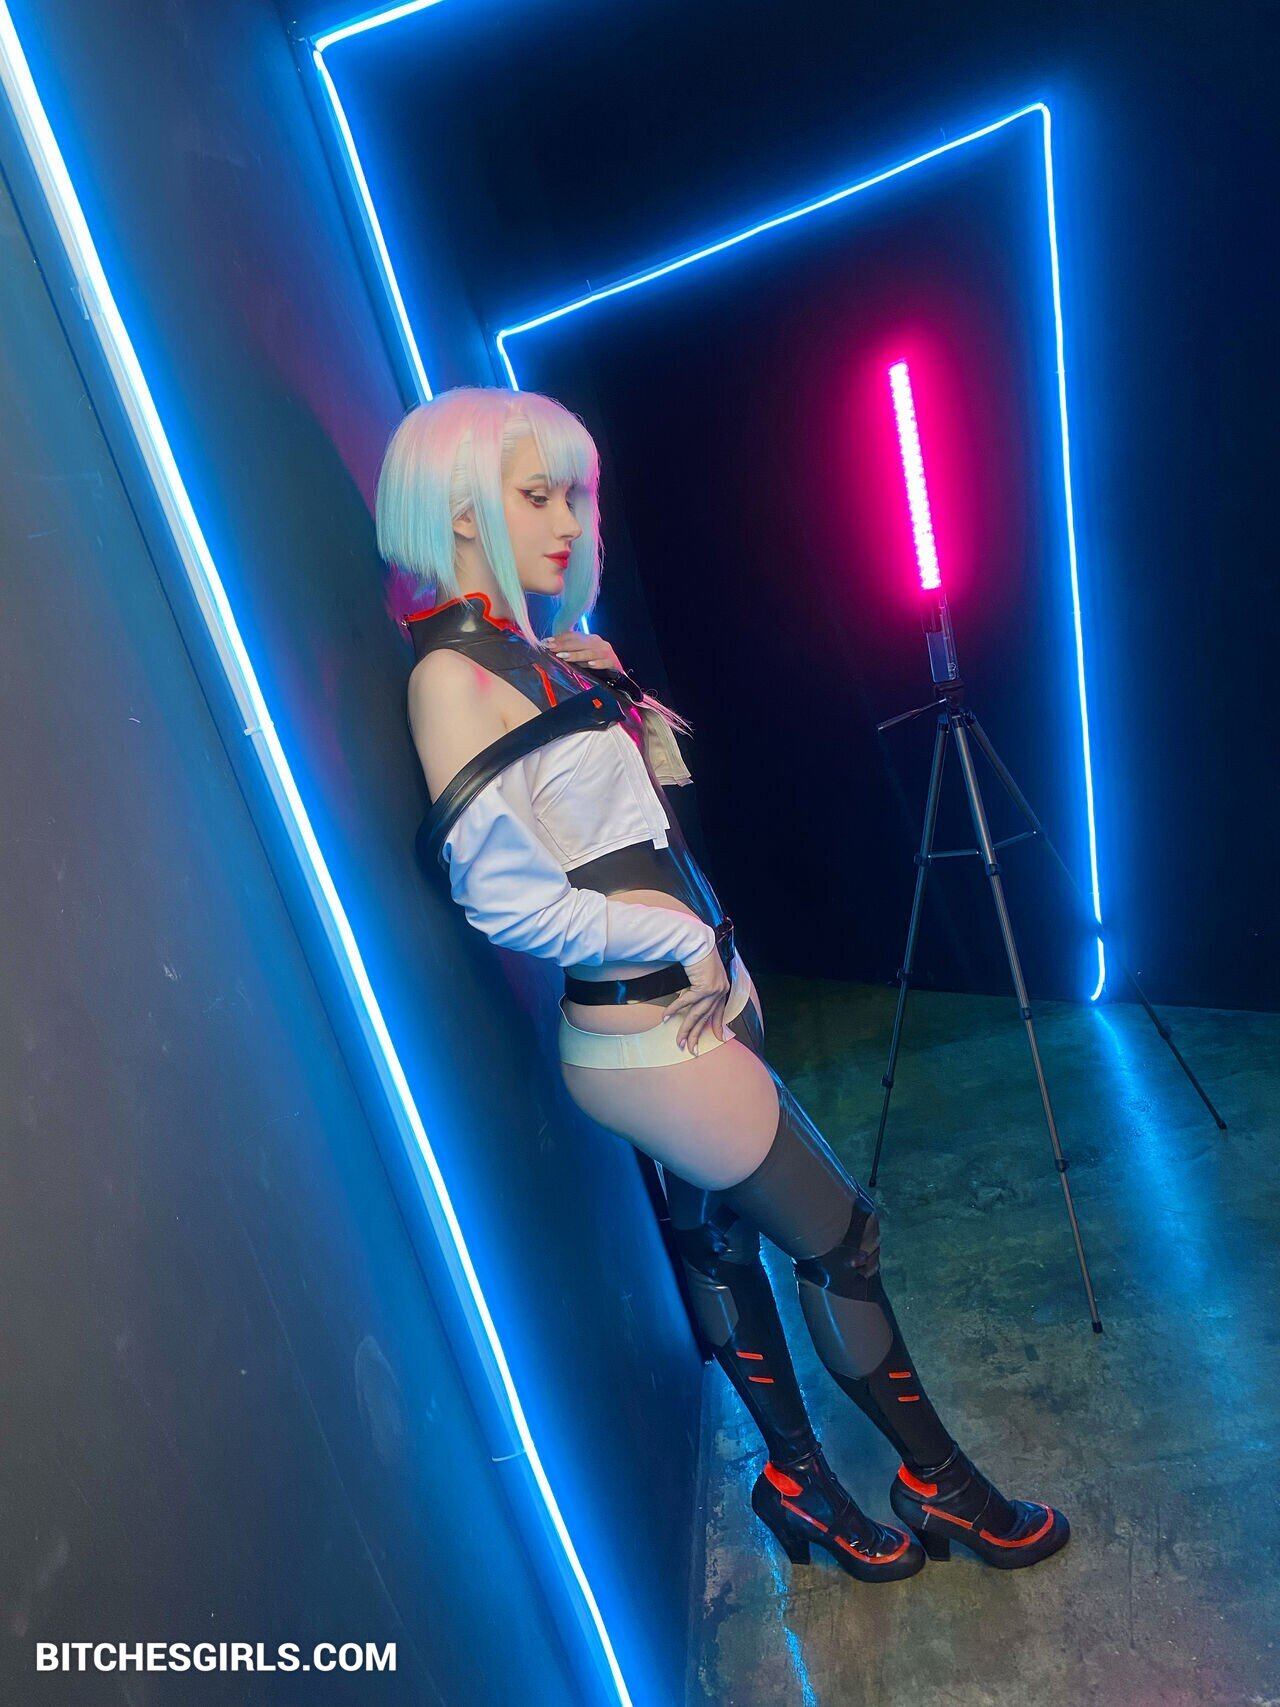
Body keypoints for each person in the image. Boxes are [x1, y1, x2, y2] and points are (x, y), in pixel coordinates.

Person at [378, 385, 1070, 1584]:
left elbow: (649, 830)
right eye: (535, 494)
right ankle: (944, 1488)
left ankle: (796, 1484)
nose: (566, 520)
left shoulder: (534, 658)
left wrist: (619, 717)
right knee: (841, 1238)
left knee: (720, 1242)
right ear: (458, 509)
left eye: (573, 494)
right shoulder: (453, 678)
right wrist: (670, 943)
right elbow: (500, 900)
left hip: (686, 1004)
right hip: (649, 1031)